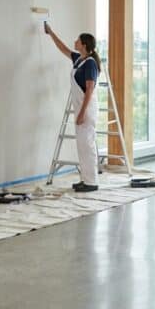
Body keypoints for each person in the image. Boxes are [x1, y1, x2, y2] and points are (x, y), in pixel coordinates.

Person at [44, 22, 101, 192]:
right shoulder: (80, 60)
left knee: (87, 145)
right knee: (82, 146)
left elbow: (89, 89)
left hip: (87, 110)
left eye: (77, 40)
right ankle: (86, 179)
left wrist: (82, 113)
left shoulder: (90, 63)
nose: (75, 42)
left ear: (84, 45)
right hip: (81, 109)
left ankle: (92, 182)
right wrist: (51, 33)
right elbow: (63, 48)